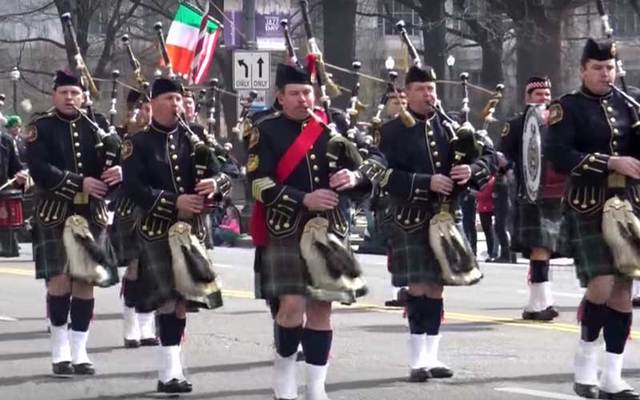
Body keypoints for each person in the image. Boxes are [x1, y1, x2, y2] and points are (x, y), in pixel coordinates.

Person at [248, 61, 382, 400]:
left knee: (322, 307)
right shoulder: (264, 131)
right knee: (291, 306)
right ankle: (284, 376)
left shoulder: (334, 126)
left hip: (329, 231)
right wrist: (302, 198)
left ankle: (317, 387)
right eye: (294, 94)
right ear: (280, 97)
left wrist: (355, 177)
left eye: (307, 93)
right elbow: (257, 184)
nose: (302, 100)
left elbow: (376, 162)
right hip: (286, 230)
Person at [379, 64, 496, 382]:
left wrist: (472, 171)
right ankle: (417, 360)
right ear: (406, 94)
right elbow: (382, 174)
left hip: (446, 216)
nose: (428, 94)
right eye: (420, 89)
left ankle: (432, 356)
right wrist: (424, 182)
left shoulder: (454, 126)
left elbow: (491, 157)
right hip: (411, 218)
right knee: (419, 287)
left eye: (431, 89)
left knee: (438, 287)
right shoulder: (391, 132)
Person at [122, 77, 230, 394]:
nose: (176, 104)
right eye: (168, 99)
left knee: (182, 301)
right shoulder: (138, 143)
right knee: (168, 299)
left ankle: (173, 368)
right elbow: (134, 188)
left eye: (179, 99)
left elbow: (227, 169)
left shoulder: (195, 137)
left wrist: (217, 184)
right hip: (156, 230)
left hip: (190, 232)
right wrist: (173, 201)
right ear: (152, 104)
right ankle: (168, 372)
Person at [546, 38, 640, 399]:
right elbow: (558, 154)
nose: (605, 74)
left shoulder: (629, 105)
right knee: (600, 284)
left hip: (627, 204)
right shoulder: (567, 108)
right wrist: (609, 162)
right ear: (583, 70)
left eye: (610, 68)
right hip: (588, 205)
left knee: (623, 290)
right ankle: (585, 358)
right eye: (598, 68)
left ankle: (612, 376)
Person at [26, 70, 122, 376]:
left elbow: (118, 162)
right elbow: (39, 169)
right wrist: (80, 183)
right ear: (54, 95)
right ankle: (60, 349)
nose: (70, 98)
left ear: (84, 96)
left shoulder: (99, 126)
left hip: (90, 215)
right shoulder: (40, 127)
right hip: (55, 212)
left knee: (85, 281)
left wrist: (120, 171)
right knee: (59, 279)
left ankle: (80, 351)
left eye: (75, 93)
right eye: (64, 92)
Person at [499, 76, 564, 321]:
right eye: (539, 95)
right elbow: (502, 153)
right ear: (528, 97)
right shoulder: (516, 124)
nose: (544, 98)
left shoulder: (560, 124)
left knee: (547, 248)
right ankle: (540, 303)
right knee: (540, 246)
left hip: (558, 193)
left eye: (547, 94)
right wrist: (506, 168)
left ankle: (540, 302)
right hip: (531, 193)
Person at [112, 89, 158, 349]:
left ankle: (147, 324)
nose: (146, 112)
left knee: (152, 269)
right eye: (142, 107)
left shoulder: (163, 137)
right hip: (131, 209)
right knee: (134, 267)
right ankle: (130, 322)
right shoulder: (121, 137)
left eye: (149, 106)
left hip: (158, 208)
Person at [476, 175, 497, 261]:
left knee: (489, 232)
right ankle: (490, 252)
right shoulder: (486, 180)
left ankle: (491, 252)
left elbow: (485, 195)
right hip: (482, 207)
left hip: (486, 208)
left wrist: (474, 193)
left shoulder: (491, 180)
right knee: (487, 232)